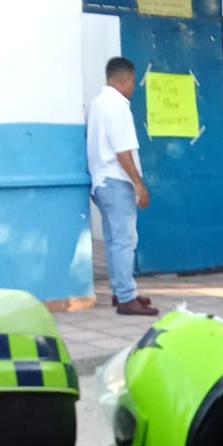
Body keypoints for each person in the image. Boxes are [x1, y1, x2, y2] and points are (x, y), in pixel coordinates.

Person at [86, 57, 158, 317]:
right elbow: (123, 151)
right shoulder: (118, 106)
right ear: (126, 80)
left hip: (101, 181)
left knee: (116, 240)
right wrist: (139, 185)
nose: (134, 88)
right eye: (133, 82)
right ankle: (127, 298)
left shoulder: (96, 104)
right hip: (116, 181)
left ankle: (122, 292)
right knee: (125, 240)